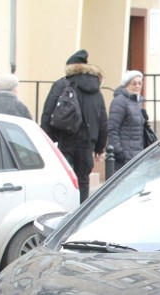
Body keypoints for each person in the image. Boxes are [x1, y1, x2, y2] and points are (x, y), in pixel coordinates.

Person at [40, 49, 108, 203]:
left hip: (64, 139)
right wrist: (100, 147)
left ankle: (62, 214)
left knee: (61, 179)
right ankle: (80, 215)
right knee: (83, 181)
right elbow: (103, 119)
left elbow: (47, 113)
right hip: (87, 143)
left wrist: (46, 141)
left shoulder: (61, 84)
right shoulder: (95, 89)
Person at [108, 70, 145, 170]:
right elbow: (112, 128)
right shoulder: (120, 101)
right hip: (125, 155)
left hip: (136, 152)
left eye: (140, 83)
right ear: (126, 85)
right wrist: (118, 151)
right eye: (134, 83)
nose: (137, 86)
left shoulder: (137, 102)